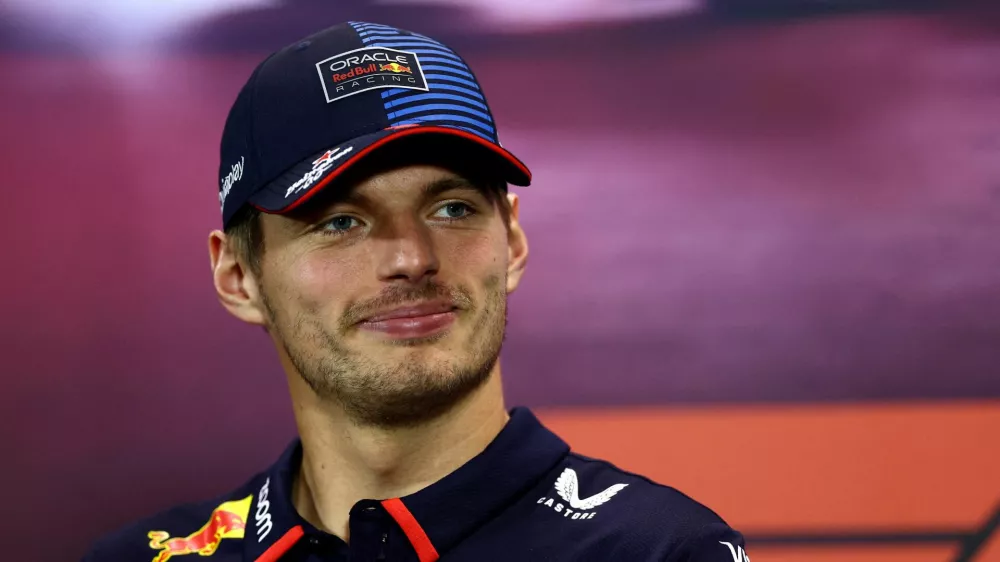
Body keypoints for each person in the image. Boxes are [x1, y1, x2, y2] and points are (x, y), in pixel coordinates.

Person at [83, 21, 750, 562]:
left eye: (452, 209)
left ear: (512, 241)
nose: (411, 259)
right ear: (238, 278)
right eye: (341, 222)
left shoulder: (657, 552)